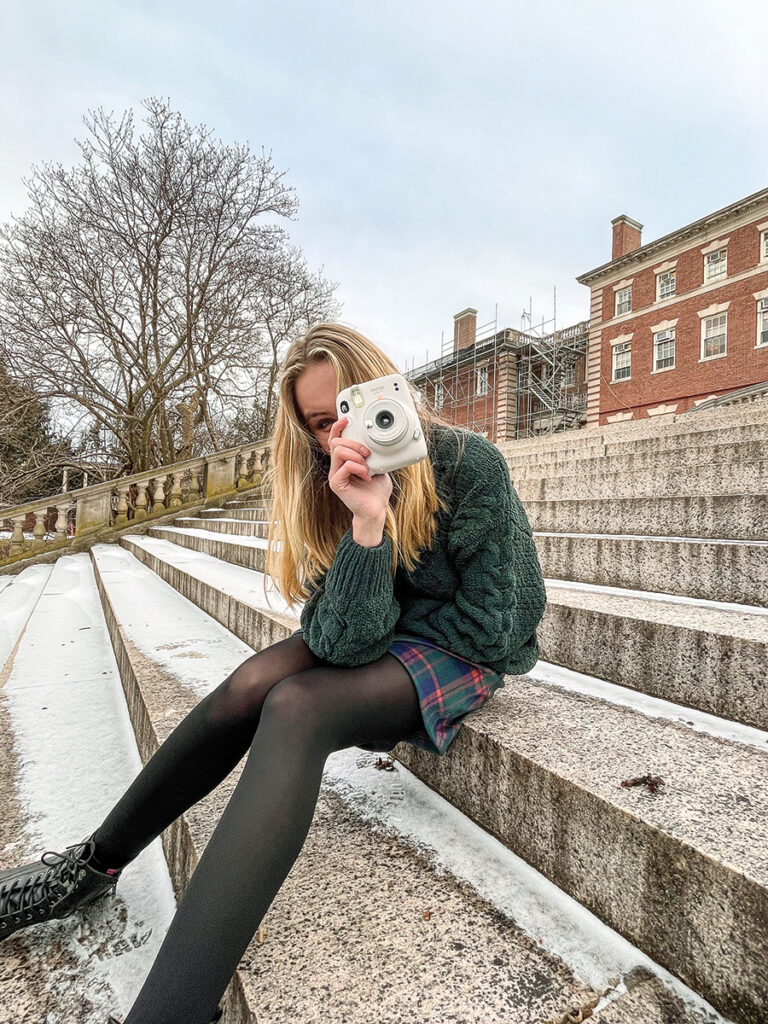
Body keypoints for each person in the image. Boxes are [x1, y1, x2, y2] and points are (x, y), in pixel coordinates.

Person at [0, 323, 547, 1024]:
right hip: (383, 632)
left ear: (388, 390)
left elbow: (501, 624)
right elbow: (340, 638)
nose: (340, 433)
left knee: (298, 707)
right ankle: (88, 869)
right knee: (252, 684)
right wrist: (368, 527)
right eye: (321, 424)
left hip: (461, 652)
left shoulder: (472, 467)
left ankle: (171, 1011)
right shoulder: (333, 481)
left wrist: (390, 636)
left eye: (349, 408)